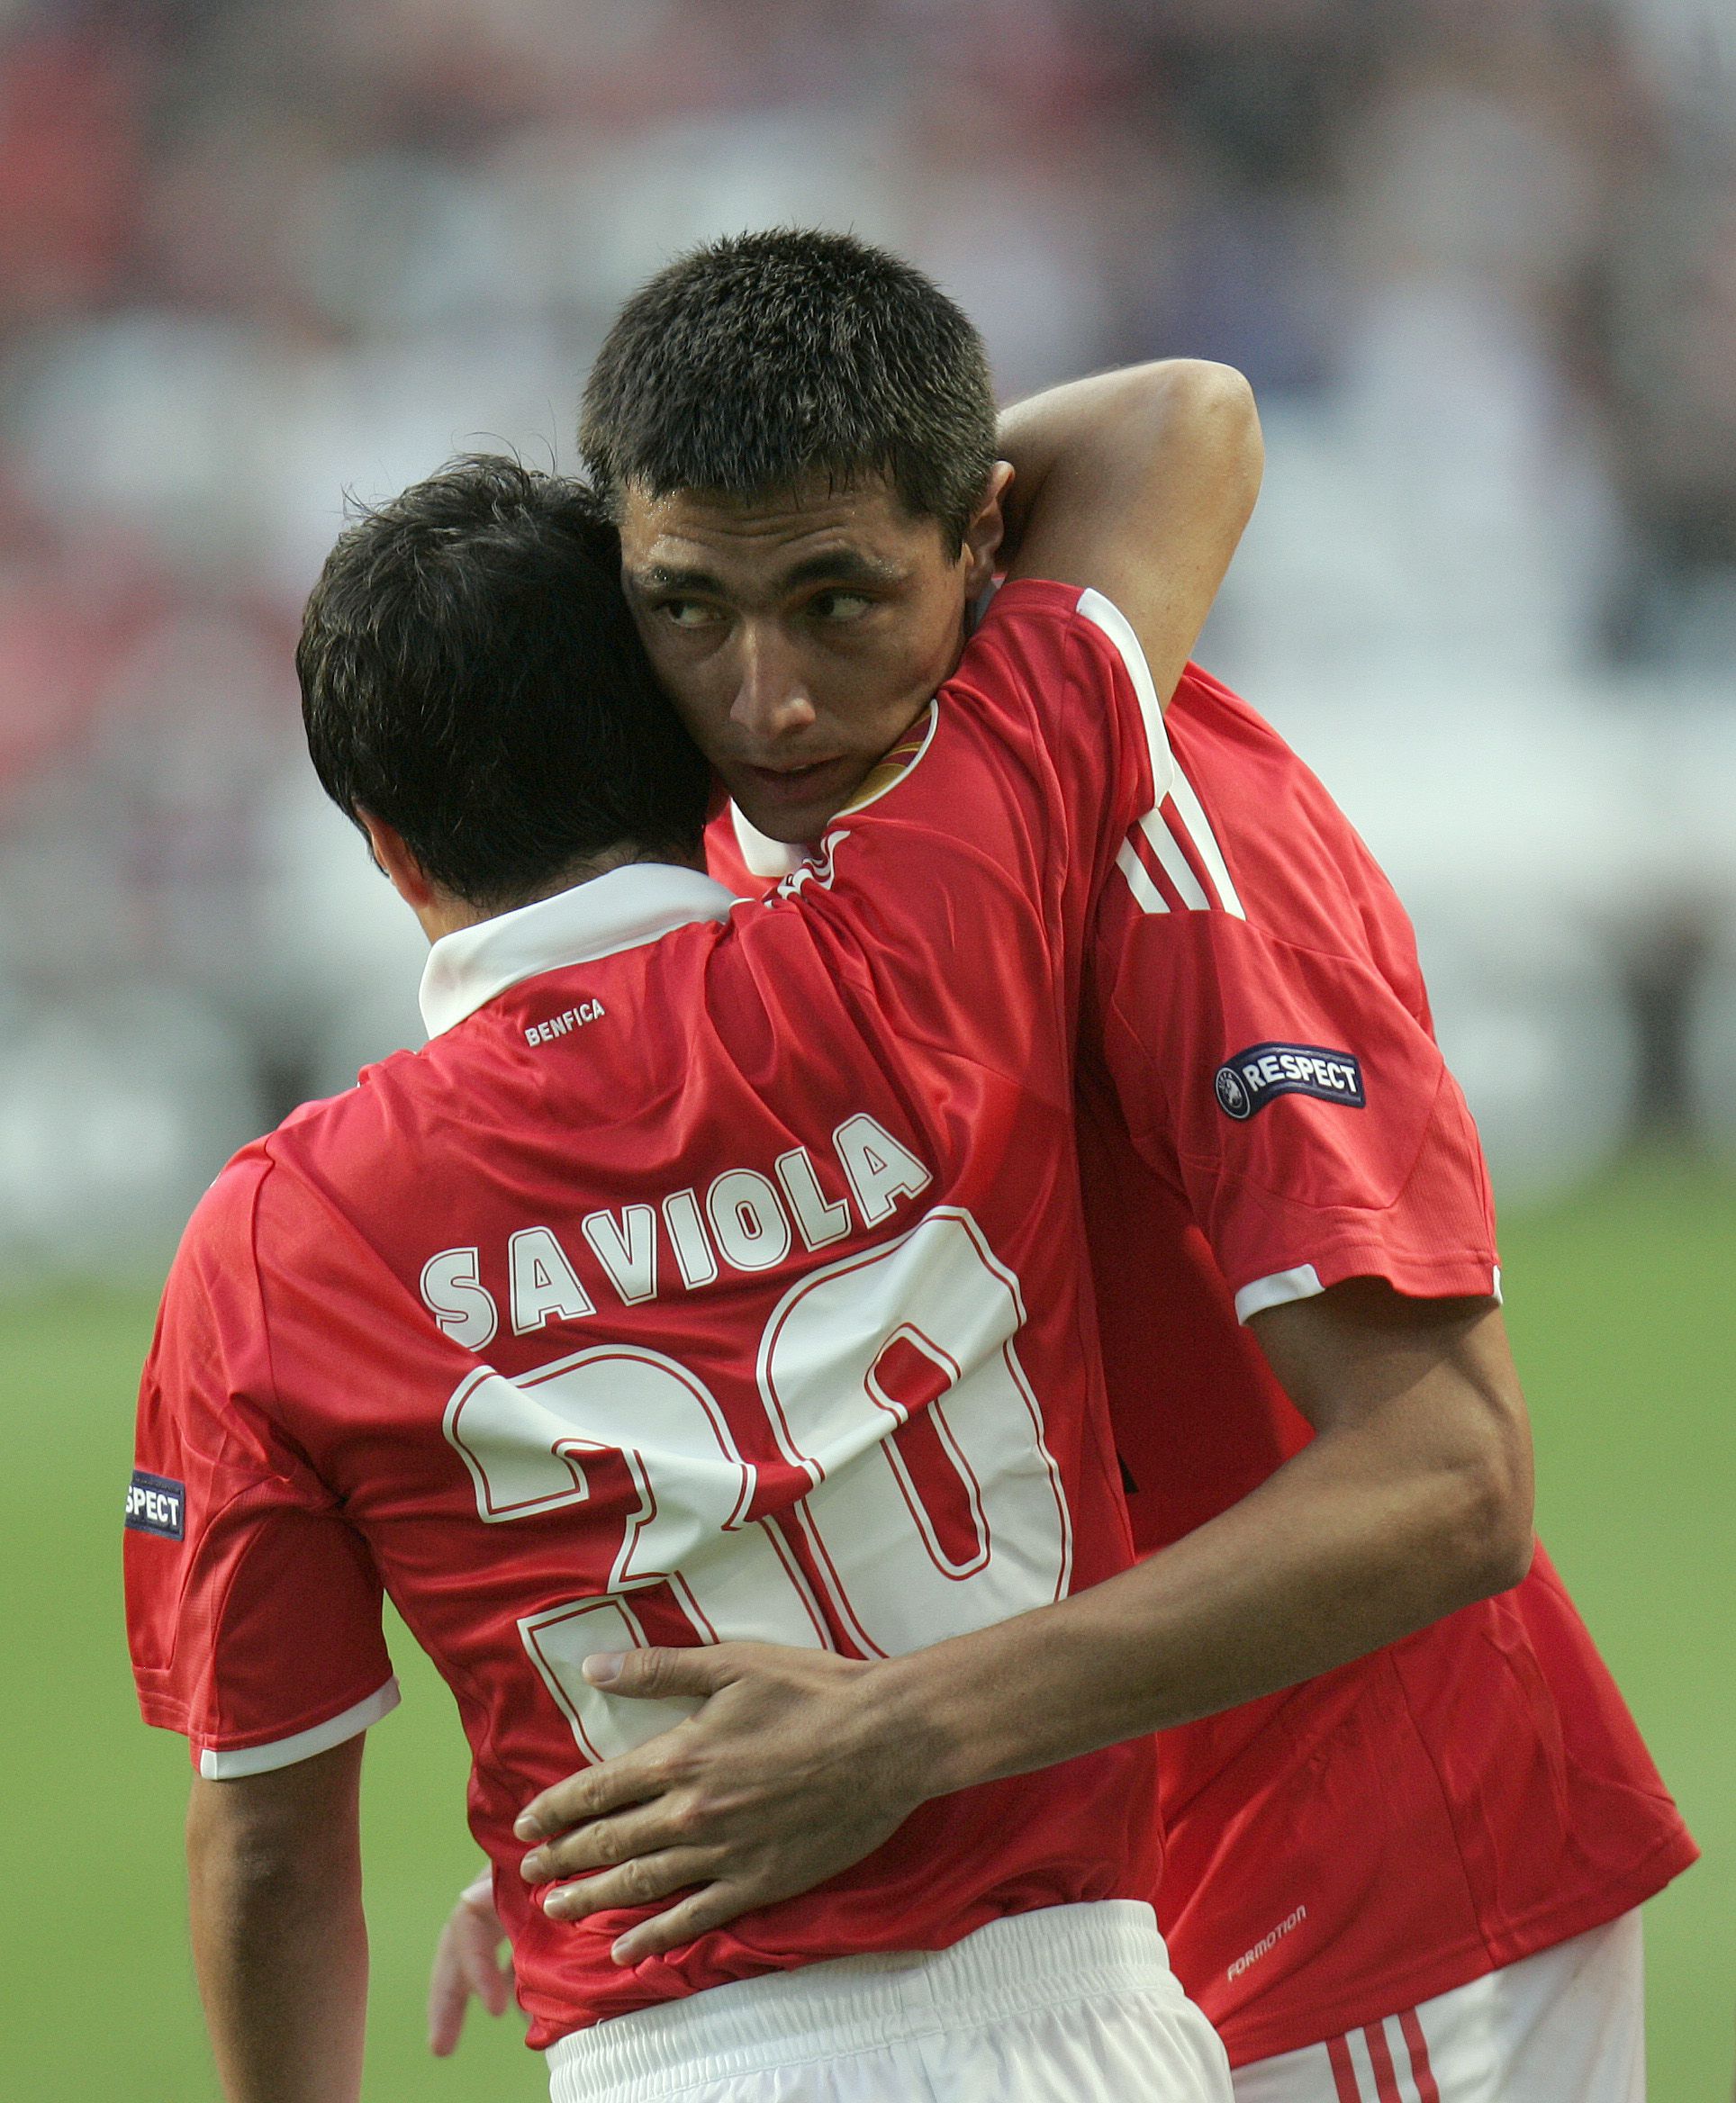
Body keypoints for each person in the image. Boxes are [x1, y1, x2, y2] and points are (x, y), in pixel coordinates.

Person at [444, 230, 1692, 2103]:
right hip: (1087, 1933)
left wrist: (894, 1734)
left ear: (988, 538)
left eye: (839, 596)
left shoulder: (1163, 831)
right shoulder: (764, 844)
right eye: (690, 609)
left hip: (1377, 1906)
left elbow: (1448, 1482)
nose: (765, 693)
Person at [125, 432, 1258, 2101]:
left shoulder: (278, 1238)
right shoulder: (925, 932)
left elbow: (275, 1848)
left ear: (384, 843)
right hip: (1101, 2019)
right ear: (691, 730)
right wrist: (721, 524)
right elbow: (1180, 432)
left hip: (685, 2053)